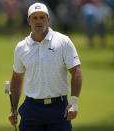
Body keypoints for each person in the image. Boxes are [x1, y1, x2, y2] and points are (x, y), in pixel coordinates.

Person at [8, 2, 82, 131]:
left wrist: (74, 103)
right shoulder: (21, 47)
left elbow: (76, 71)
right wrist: (13, 109)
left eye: (42, 17)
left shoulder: (63, 41)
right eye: (34, 18)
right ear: (28, 21)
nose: (39, 21)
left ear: (48, 19)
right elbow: (17, 78)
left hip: (59, 108)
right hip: (31, 108)